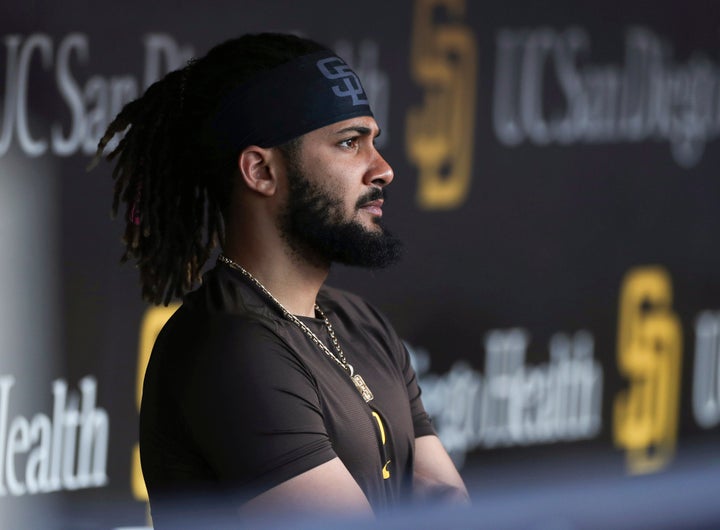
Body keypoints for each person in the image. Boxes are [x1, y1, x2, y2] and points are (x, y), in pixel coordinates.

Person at [96, 32, 468, 526]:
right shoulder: (229, 347)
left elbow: (452, 503)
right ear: (260, 172)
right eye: (349, 143)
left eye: (373, 142)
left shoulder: (361, 323)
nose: (383, 169)